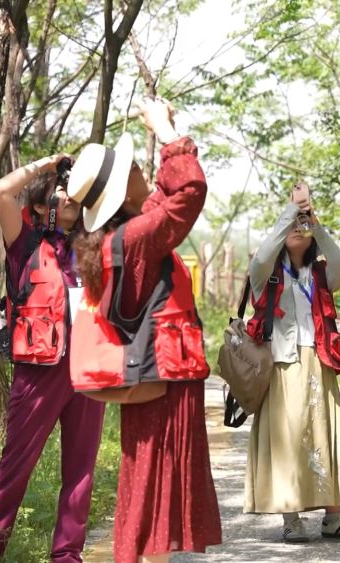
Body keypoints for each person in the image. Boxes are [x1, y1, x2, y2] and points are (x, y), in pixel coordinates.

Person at [66, 98, 222, 563]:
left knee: (150, 487)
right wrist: (167, 133)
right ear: (120, 193)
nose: (142, 171)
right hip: (163, 378)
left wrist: (165, 133)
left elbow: (164, 197)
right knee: (156, 488)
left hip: (156, 376)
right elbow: (188, 191)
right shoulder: (136, 238)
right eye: (133, 168)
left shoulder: (123, 235)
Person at [0, 150, 105, 562]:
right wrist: (48, 165)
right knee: (15, 468)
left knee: (81, 471)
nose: (70, 196)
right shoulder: (25, 242)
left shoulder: (91, 242)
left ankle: (67, 556)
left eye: (73, 190)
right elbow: (2, 190)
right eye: (61, 190)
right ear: (39, 206)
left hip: (87, 370)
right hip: (39, 372)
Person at [243, 193, 340, 542]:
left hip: (319, 360)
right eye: (292, 224)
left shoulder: (320, 273)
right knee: (287, 435)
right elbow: (264, 253)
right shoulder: (265, 272)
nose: (297, 228)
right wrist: (291, 210)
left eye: (303, 224)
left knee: (325, 433)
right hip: (281, 364)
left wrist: (317, 225)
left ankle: (333, 516)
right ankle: (291, 518)